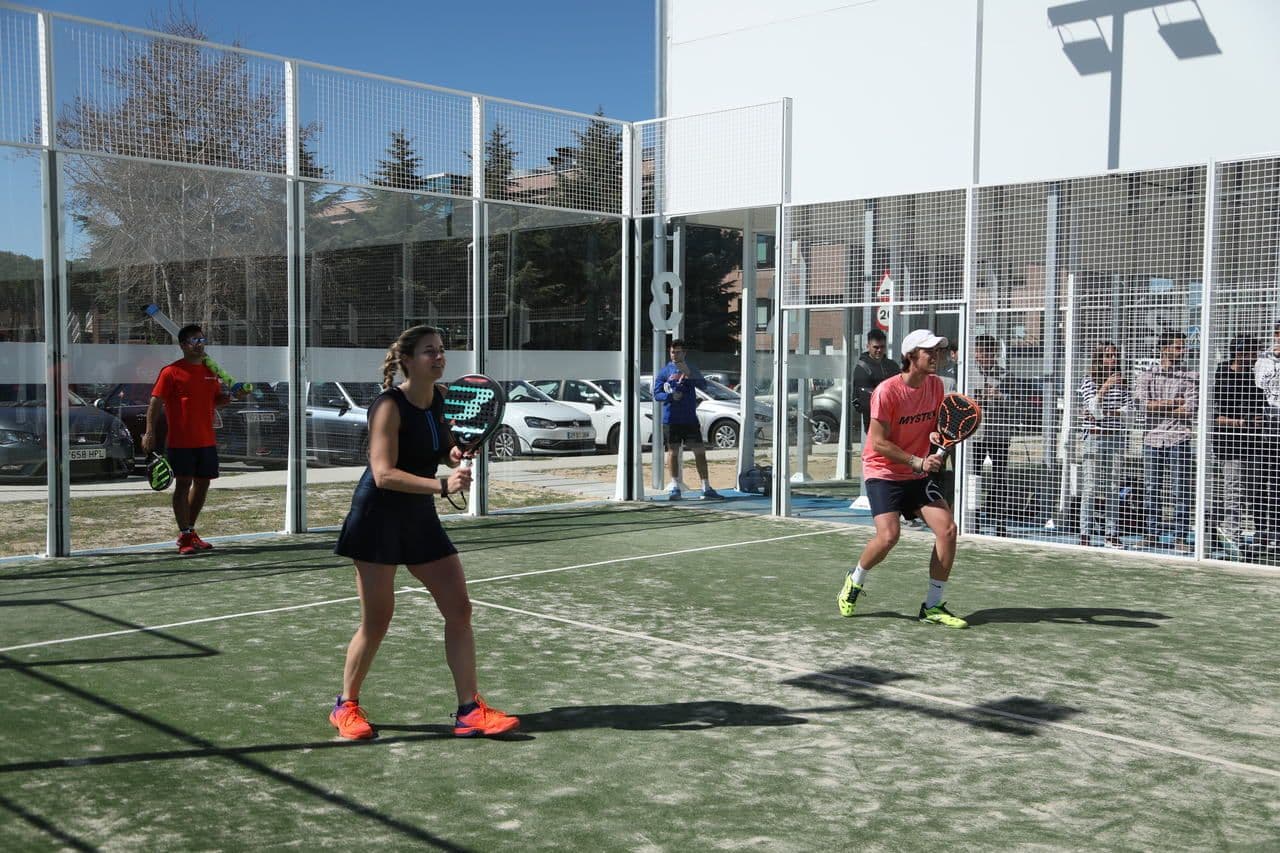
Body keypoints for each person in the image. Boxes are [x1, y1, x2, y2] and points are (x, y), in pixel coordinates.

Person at [329, 325, 519, 740]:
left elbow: (440, 447)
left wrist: (451, 454)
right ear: (408, 360)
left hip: (418, 516)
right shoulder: (388, 406)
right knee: (377, 620)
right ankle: (346, 706)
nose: (439, 357)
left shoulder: (440, 400)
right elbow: (383, 473)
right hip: (376, 518)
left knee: (459, 609)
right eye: (430, 351)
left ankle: (469, 710)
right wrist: (442, 485)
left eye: (442, 351)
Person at [836, 328, 967, 629]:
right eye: (928, 351)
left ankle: (932, 606)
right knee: (888, 536)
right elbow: (878, 441)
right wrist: (917, 460)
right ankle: (854, 581)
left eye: (937, 350)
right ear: (911, 356)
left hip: (916, 474)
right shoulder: (886, 392)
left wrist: (934, 440)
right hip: (883, 471)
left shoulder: (935, 386)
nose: (936, 356)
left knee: (947, 530)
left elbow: (933, 425)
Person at [141, 324, 238, 556]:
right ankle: (184, 535)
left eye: (202, 340)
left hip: (206, 440)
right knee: (183, 485)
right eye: (195, 341)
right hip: (180, 441)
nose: (200, 344)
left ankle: (190, 531)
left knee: (203, 484)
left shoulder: (209, 370)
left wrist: (234, 395)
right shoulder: (171, 372)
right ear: (184, 346)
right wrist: (150, 432)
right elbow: (155, 403)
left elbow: (216, 400)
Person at [1134, 330, 1198, 554]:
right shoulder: (1148, 375)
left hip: (1179, 437)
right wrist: (1173, 402)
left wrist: (1159, 405)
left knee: (1180, 489)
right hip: (1152, 438)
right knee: (1152, 488)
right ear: (1164, 349)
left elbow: (1189, 409)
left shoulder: (1190, 376)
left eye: (1183, 347)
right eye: (1178, 346)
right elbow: (1144, 405)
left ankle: (1180, 536)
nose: (1182, 350)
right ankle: (1151, 534)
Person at [1212, 336, 1267, 557]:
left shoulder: (1255, 376)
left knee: (1256, 491)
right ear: (1240, 353)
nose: (1255, 356)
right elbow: (1214, 413)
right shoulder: (1222, 374)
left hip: (1254, 443)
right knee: (1233, 491)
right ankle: (1232, 534)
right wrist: (1241, 422)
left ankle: (1260, 534)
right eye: (1252, 352)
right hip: (1230, 444)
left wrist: (1255, 421)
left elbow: (1261, 407)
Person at [1077, 341, 1133, 548]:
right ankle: (1085, 533)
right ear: (1099, 358)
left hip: (1116, 437)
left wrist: (1109, 412)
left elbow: (1129, 413)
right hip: (1094, 438)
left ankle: (1111, 534)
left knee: (1113, 487)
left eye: (1114, 355)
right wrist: (1106, 387)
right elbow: (1092, 409)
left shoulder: (1124, 383)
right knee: (1090, 487)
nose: (1112, 359)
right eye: (1108, 355)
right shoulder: (1089, 381)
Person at [653, 338, 721, 500]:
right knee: (673, 452)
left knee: (699, 452)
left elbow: (703, 385)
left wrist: (689, 374)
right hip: (671, 420)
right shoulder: (664, 372)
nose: (674, 355)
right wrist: (670, 396)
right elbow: (657, 394)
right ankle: (675, 486)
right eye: (672, 352)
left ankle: (706, 487)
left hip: (690, 419)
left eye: (677, 352)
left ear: (684, 353)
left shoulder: (691, 369)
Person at [969, 334, 1011, 536]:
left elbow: (1017, 404)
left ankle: (1000, 521)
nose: (983, 355)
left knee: (1000, 478)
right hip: (975, 434)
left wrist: (999, 396)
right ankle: (973, 519)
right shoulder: (969, 373)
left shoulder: (1004, 375)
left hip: (998, 433)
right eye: (980, 351)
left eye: (987, 352)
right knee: (974, 477)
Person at [1254, 322, 1280, 550]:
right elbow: (1260, 385)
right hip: (1270, 417)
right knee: (1266, 477)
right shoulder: (1264, 359)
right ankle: (1264, 530)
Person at [851, 329, 897, 441]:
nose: (879, 350)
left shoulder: (892, 365)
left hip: (894, 420)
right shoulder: (862, 369)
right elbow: (865, 402)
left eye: (882, 347)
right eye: (875, 347)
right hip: (874, 421)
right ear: (868, 346)